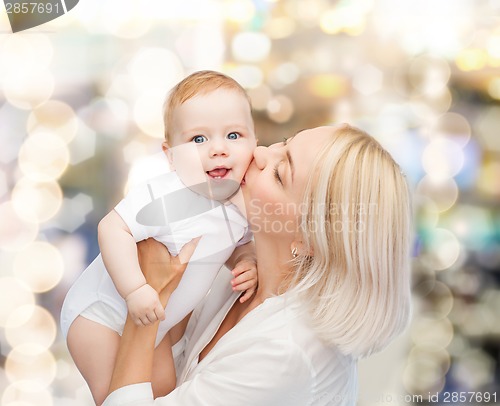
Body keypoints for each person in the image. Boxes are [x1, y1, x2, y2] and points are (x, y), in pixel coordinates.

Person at [102, 124, 413, 406]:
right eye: (284, 143)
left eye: (280, 174)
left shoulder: (286, 352)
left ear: (308, 241)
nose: (260, 153)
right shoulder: (245, 275)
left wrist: (148, 299)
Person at [60, 71, 259, 405]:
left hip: (157, 325)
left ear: (254, 140)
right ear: (170, 156)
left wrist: (246, 260)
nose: (219, 149)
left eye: (234, 134)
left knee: (165, 391)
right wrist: (135, 289)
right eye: (199, 139)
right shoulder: (168, 197)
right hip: (100, 317)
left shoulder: (240, 202)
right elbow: (112, 228)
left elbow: (233, 244)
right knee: (115, 392)